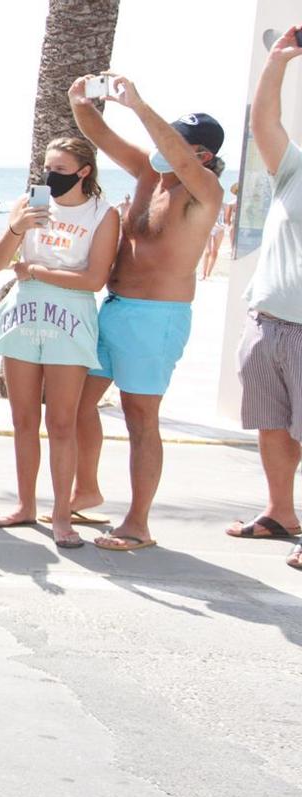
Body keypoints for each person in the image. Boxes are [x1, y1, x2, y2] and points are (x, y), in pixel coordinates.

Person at [68, 75, 226, 551]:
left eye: (175, 139)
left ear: (200, 154)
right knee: (76, 404)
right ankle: (88, 488)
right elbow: (99, 135)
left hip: (157, 317)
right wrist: (80, 102)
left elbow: (173, 153)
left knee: (141, 420)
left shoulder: (205, 189)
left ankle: (138, 523)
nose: (160, 147)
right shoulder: (147, 175)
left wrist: (138, 105)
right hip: (114, 308)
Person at [0, 137, 121, 549]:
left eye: (59, 169)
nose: (50, 176)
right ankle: (25, 506)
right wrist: (17, 227)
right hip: (23, 315)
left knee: (62, 422)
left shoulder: (103, 213)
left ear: (84, 171)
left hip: (71, 318)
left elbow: (95, 279)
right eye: (47, 167)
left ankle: (62, 515)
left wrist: (38, 271)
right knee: (23, 420)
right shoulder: (28, 204)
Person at [228, 26, 302, 567]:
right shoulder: (294, 169)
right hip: (267, 321)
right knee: (271, 421)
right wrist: (278, 62)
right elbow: (265, 124)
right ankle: (281, 512)